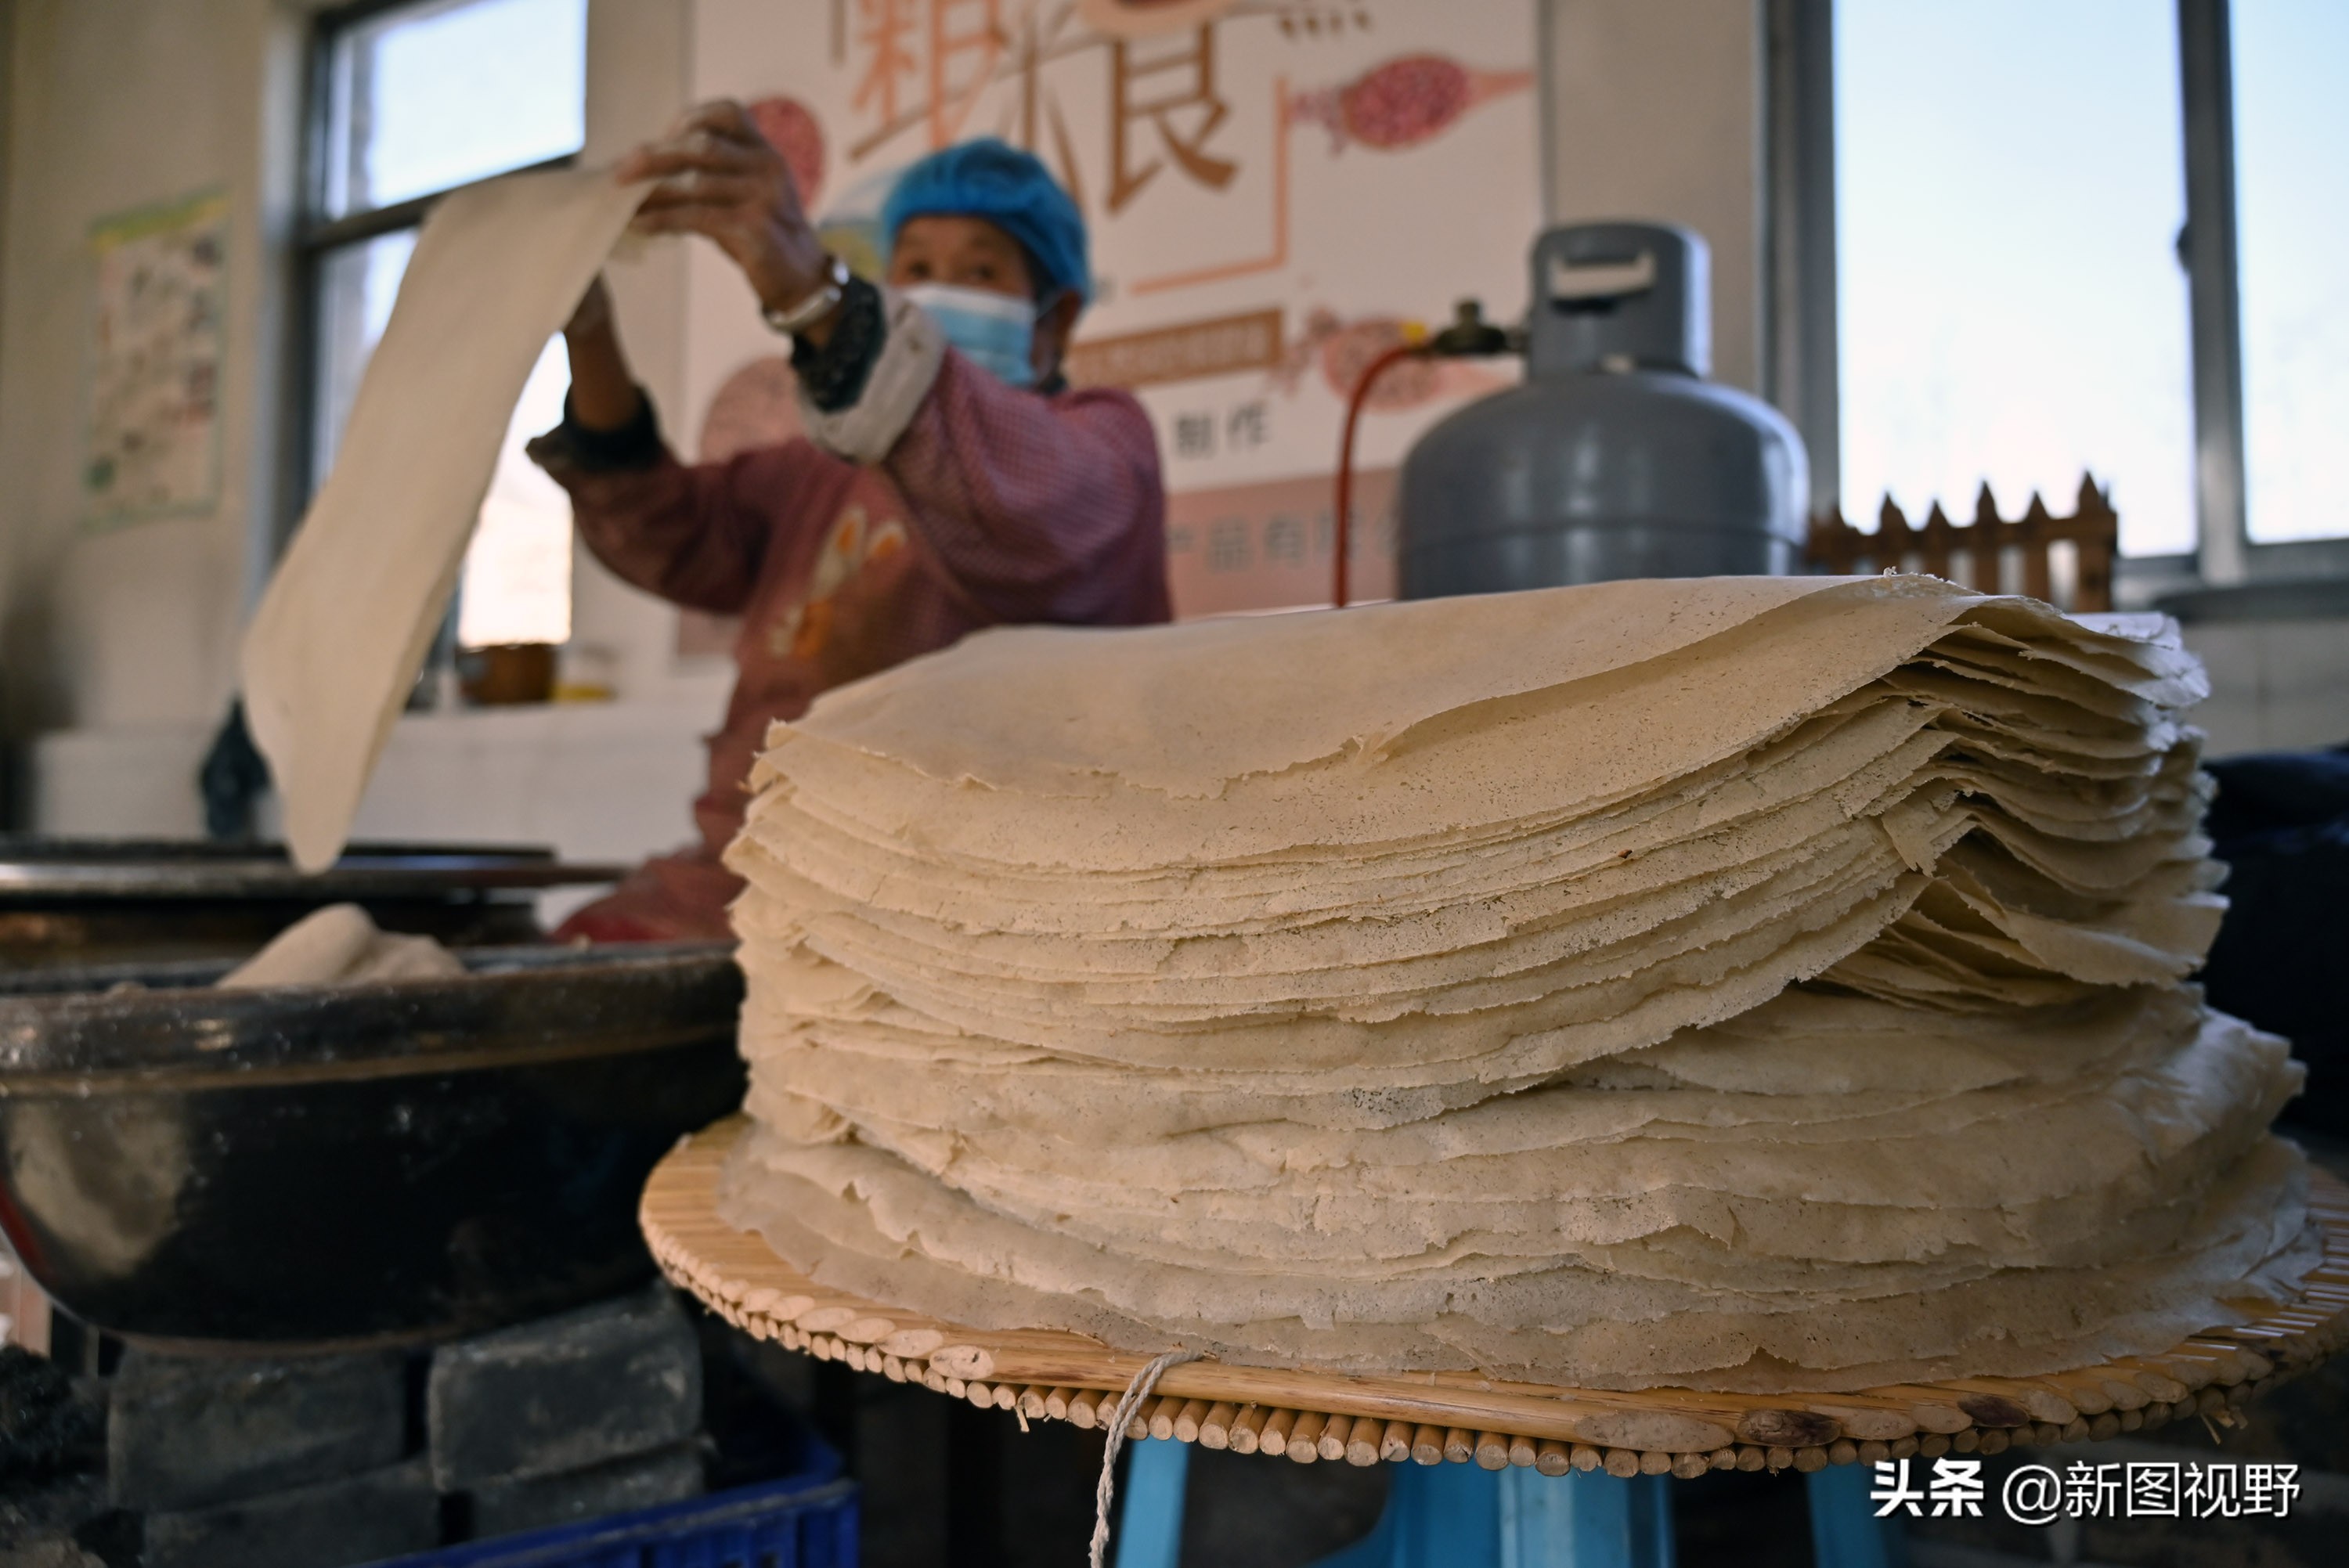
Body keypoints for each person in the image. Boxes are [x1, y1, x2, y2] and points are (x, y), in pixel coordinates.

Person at [535, 103, 1170, 942]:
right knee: (570, 964)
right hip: (755, 867)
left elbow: (1019, 499)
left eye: (979, 272)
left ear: (1053, 320)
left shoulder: (1101, 448)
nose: (937, 292)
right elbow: (666, 530)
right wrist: (589, 333)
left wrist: (811, 292)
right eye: (914, 267)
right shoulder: (817, 470)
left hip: (968, 895)